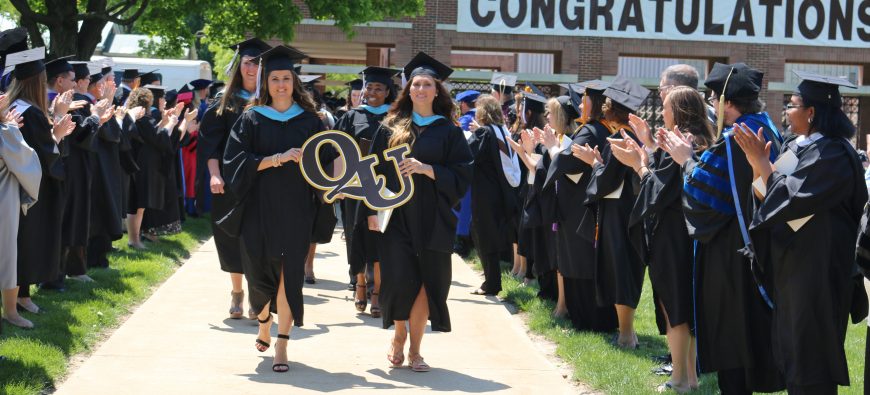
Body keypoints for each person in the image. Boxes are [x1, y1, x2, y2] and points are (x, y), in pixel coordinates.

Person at [733, 71, 867, 394]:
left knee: (813, 360)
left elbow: (793, 200)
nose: (787, 112)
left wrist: (761, 162)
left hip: (820, 273)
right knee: (794, 352)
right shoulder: (799, 146)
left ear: (812, 112)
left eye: (793, 105)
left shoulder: (834, 154)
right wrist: (758, 165)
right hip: (795, 269)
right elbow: (770, 195)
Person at [658, 62, 785, 394]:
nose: (712, 104)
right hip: (762, 247)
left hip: (731, 255)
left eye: (714, 98)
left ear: (727, 102)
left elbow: (702, 191)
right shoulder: (768, 126)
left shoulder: (734, 138)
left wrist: (686, 159)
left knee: (733, 339)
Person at [222, 44, 334, 373]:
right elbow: (235, 163)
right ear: (265, 83)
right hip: (258, 208)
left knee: (290, 276)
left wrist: (338, 181)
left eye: (286, 78)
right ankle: (263, 320)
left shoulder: (311, 120)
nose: (281, 85)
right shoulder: (252, 118)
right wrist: (276, 158)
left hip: (297, 208)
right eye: (275, 79)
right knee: (258, 274)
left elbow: (325, 161)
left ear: (294, 82)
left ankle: (282, 342)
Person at [366, 51, 472, 372]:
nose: (421, 89)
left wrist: (428, 169)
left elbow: (463, 173)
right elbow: (372, 171)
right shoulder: (390, 127)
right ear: (408, 90)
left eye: (427, 84)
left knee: (428, 282)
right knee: (400, 279)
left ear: (437, 91)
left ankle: (415, 349)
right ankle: (398, 336)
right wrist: (372, 209)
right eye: (416, 84)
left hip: (435, 218)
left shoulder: (450, 131)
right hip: (397, 216)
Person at [610, 86, 714, 392]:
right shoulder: (699, 139)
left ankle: (679, 378)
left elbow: (658, 191)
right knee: (687, 307)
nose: (662, 112)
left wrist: (639, 163)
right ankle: (690, 378)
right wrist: (649, 147)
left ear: (679, 111)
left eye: (666, 107)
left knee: (675, 309)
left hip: (672, 236)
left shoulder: (680, 141)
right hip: (688, 234)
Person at [573, 76, 649, 349]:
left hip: (618, 216)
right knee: (628, 269)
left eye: (606, 104)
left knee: (620, 271)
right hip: (632, 212)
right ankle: (629, 332)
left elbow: (605, 182)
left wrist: (594, 164)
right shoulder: (638, 137)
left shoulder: (620, 138)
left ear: (611, 109)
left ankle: (626, 335)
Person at [537, 81, 618, 333]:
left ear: (593, 103)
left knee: (578, 261)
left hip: (577, 209)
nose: (580, 104)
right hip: (594, 205)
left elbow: (567, 163)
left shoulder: (590, 131)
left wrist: (551, 148)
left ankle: (585, 320)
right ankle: (599, 319)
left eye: (584, 99)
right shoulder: (604, 129)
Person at [199, 37, 270, 320]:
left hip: (263, 180)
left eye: (257, 63)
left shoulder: (272, 102)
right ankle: (237, 291)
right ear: (238, 66)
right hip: (230, 182)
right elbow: (210, 145)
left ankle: (256, 293)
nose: (252, 68)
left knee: (260, 239)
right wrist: (214, 176)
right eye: (248, 62)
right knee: (231, 237)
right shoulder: (224, 103)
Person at [1, 46, 75, 316]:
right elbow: (43, 155)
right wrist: (58, 131)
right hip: (30, 187)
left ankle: (21, 295)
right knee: (27, 241)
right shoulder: (30, 113)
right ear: (37, 83)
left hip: (16, 185)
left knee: (19, 243)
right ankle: (20, 296)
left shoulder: (14, 106)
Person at [334, 66, 397, 317]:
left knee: (379, 239)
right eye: (369, 87)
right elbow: (337, 147)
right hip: (355, 186)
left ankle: (377, 292)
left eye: (378, 88)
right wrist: (336, 181)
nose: (372, 92)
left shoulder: (394, 118)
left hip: (383, 185)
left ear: (387, 92)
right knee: (355, 237)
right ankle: (360, 285)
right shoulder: (352, 117)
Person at [59, 61, 112, 283]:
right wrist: (95, 117)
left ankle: (76, 268)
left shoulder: (77, 104)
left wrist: (98, 118)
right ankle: (67, 270)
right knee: (71, 217)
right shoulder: (67, 105)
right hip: (71, 167)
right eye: (86, 79)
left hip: (81, 166)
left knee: (79, 217)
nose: (89, 83)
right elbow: (80, 136)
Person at [467, 94, 520, 296]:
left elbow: (468, 154)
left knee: (483, 234)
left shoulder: (485, 133)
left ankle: (491, 283)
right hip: (502, 191)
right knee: (489, 234)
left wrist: (473, 134)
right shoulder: (501, 131)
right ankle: (492, 280)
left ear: (483, 112)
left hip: (485, 193)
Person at [0, 94, 42, 329]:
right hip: (3, 202)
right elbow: (29, 165)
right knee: (6, 256)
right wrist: (12, 128)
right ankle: (11, 312)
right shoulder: (6, 133)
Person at [125, 87, 181, 249]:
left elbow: (153, 132)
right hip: (142, 165)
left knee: (139, 204)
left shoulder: (140, 118)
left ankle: (135, 239)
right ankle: (134, 240)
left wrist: (163, 122)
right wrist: (171, 123)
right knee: (137, 205)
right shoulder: (142, 118)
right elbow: (159, 137)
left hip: (140, 163)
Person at [86, 63, 125, 269]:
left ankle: (100, 256)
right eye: (101, 83)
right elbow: (109, 135)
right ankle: (94, 258)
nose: (106, 86)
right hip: (96, 166)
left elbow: (114, 136)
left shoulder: (100, 104)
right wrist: (108, 103)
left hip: (105, 165)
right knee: (98, 212)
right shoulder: (89, 105)